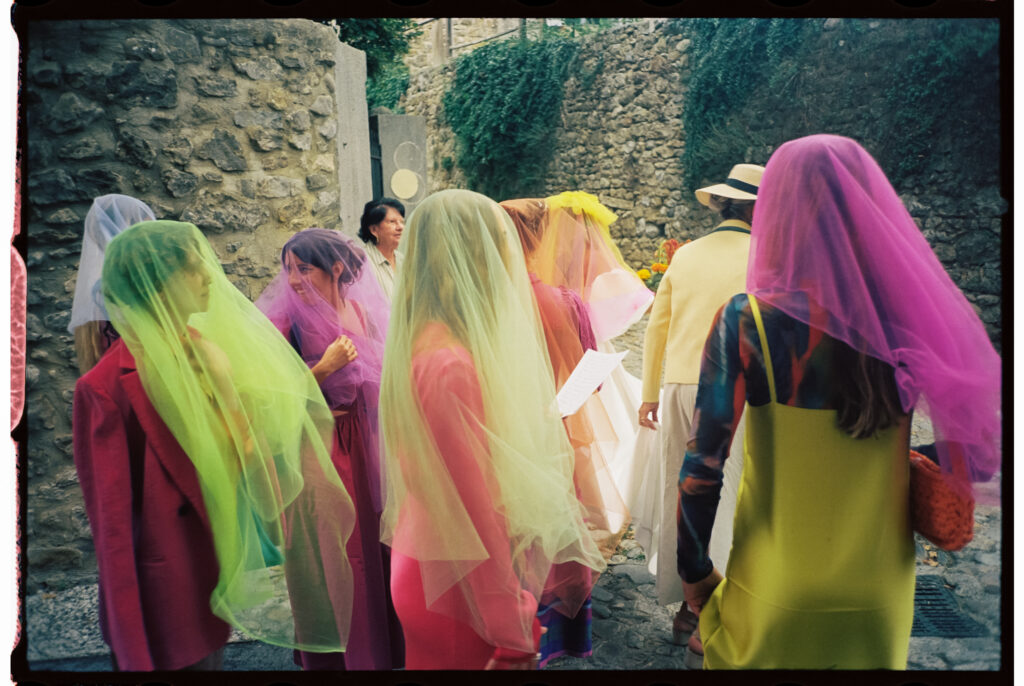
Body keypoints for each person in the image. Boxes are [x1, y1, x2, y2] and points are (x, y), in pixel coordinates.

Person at [677, 135, 1001, 669]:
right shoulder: (904, 319)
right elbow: (982, 449)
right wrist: (904, 457)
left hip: (774, 585)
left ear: (776, 212)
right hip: (879, 591)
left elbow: (702, 467)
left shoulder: (746, 321)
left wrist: (694, 572)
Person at [73, 221, 356, 671]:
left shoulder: (206, 353)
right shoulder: (105, 389)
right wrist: (132, 650)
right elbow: (113, 531)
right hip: (163, 592)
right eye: (194, 268)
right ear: (159, 283)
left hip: (209, 574)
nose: (210, 277)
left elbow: (245, 448)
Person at [379, 189, 606, 670]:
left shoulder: (428, 341)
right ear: (478, 258)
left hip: (430, 556)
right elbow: (473, 511)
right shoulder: (450, 365)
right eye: (501, 247)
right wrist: (511, 625)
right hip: (459, 588)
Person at [256, 228, 403, 670]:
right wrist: (323, 368)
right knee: (335, 552)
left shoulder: (362, 310)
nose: (294, 278)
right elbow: (269, 396)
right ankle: (338, 658)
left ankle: (381, 650)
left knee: (374, 544)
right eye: (288, 269)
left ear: (336, 268)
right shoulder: (287, 322)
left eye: (304, 268)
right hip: (321, 449)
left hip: (368, 445)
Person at [637, 163, 764, 663]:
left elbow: (656, 328)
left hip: (681, 386)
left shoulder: (686, 254)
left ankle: (688, 608)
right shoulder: (767, 255)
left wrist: (650, 392)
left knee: (683, 495)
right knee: (733, 495)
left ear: (723, 204)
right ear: (758, 208)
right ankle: (723, 608)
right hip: (742, 391)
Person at [500, 197, 625, 667]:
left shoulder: (482, 303)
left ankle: (512, 629)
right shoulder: (564, 301)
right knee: (559, 535)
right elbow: (589, 383)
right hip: (554, 438)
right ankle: (561, 637)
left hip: (502, 442)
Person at [68, 194, 156, 374]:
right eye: (145, 230)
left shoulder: (100, 287)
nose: (151, 241)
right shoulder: (117, 291)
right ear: (124, 229)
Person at [358, 197, 406, 302]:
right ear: (374, 230)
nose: (400, 227)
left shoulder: (403, 260)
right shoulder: (361, 262)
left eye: (402, 222)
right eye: (392, 222)